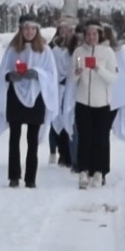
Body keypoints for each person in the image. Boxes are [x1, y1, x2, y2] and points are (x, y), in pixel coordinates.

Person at [0, 15, 58, 189]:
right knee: (14, 137)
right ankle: (14, 175)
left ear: (37, 30)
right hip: (16, 95)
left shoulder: (44, 50)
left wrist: (37, 74)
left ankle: (31, 177)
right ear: (21, 30)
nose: (29, 32)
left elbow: (51, 74)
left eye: (32, 29)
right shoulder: (13, 49)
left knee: (32, 139)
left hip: (36, 96)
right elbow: (3, 72)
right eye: (26, 28)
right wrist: (11, 75)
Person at [71, 20, 118, 188]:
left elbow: (113, 78)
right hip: (83, 101)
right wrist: (78, 72)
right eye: (88, 34)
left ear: (99, 35)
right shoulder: (78, 51)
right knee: (84, 137)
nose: (91, 37)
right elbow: (72, 77)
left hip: (102, 103)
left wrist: (98, 68)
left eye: (94, 34)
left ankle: (100, 171)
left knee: (101, 138)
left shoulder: (108, 52)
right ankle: (83, 170)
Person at [48, 21, 76, 167]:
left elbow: (77, 64)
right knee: (57, 119)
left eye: (70, 30)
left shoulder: (76, 51)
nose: (67, 33)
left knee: (69, 119)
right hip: (58, 87)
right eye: (64, 30)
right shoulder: (54, 49)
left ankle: (70, 155)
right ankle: (60, 152)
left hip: (71, 89)